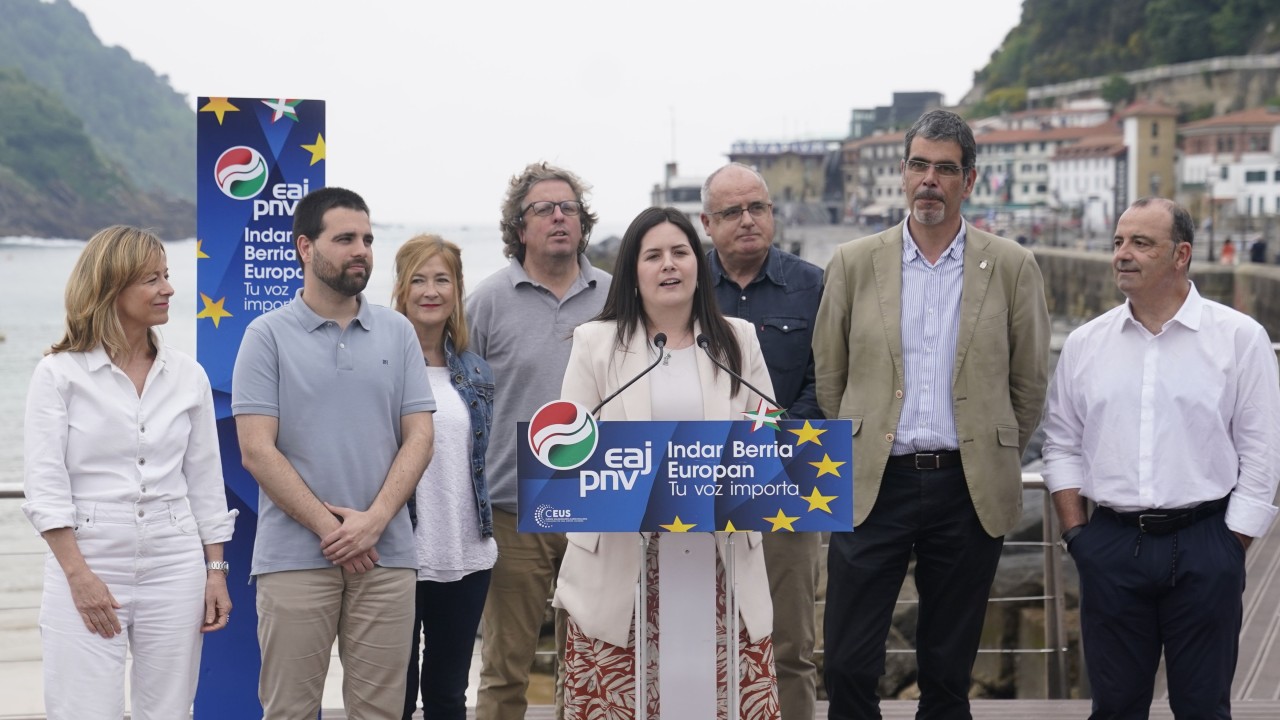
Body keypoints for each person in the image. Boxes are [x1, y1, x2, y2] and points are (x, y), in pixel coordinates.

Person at [813, 109, 1051, 720]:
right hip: (874, 484)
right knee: (846, 664)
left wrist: (988, 446)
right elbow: (830, 376)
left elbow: (1028, 383)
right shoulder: (853, 263)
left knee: (947, 675)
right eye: (919, 165)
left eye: (945, 169)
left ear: (968, 181)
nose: (929, 180)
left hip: (966, 488)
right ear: (902, 172)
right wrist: (860, 443)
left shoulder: (1012, 266)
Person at [1042, 197, 1280, 719]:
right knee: (1115, 709)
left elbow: (1262, 452)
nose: (1122, 254)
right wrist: (1078, 536)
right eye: (1118, 242)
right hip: (1111, 544)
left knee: (1203, 709)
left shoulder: (1240, 339)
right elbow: (1061, 444)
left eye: (1141, 243)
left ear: (1181, 255)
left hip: (1206, 543)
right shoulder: (1085, 344)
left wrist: (1230, 545)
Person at [556, 206, 780, 719]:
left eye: (680, 252)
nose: (669, 265)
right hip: (625, 567)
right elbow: (569, 454)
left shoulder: (738, 339)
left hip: (720, 561)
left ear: (699, 264)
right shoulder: (595, 343)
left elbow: (768, 434)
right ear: (633, 272)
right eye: (653, 256)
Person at [232, 187, 436, 719]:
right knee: (290, 711)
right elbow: (256, 450)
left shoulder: (398, 331)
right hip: (294, 559)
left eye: (367, 239)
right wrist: (336, 532)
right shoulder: (265, 335)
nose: (361, 250)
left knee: (381, 712)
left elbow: (420, 437)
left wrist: (374, 522)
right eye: (345, 239)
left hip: (386, 556)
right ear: (306, 247)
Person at [23, 225, 236, 719]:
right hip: (87, 562)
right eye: (151, 279)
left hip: (176, 565)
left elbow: (206, 483)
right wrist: (78, 577)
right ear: (110, 288)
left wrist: (216, 573)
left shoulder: (189, 376)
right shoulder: (59, 374)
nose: (169, 289)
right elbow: (46, 487)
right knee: (81, 710)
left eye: (166, 274)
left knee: (169, 711)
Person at [467, 162, 612, 720]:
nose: (558, 217)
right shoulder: (486, 302)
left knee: (595, 667)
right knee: (506, 668)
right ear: (519, 227)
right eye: (543, 209)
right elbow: (461, 404)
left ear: (583, 222)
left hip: (598, 503)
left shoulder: (617, 296)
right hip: (513, 510)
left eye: (568, 208)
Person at [702, 162, 824, 720]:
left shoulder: (812, 285)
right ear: (707, 223)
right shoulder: (685, 286)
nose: (748, 220)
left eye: (758, 208)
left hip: (789, 483)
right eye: (732, 211)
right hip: (700, 485)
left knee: (791, 644)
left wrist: (767, 441)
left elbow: (828, 380)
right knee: (697, 635)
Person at [391, 235, 498, 720]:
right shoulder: (382, 366)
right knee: (393, 695)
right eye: (418, 279)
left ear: (457, 289)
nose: (430, 291)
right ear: (401, 288)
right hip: (396, 552)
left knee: (449, 696)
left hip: (465, 552)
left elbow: (476, 459)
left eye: (442, 279)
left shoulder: (476, 371)